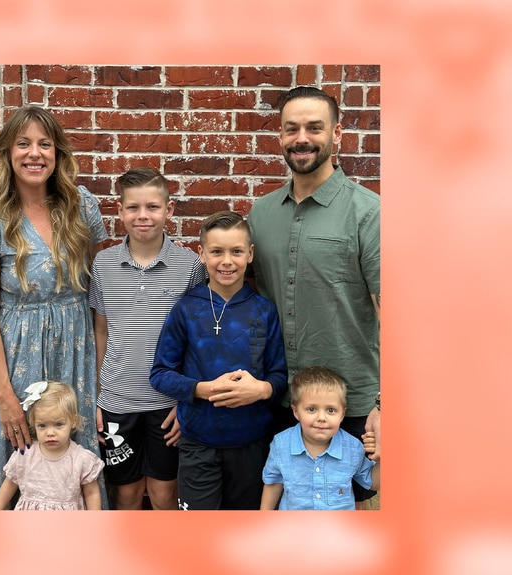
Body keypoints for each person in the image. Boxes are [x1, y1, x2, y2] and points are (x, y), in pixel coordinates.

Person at [247, 86, 380, 507]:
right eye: (292, 128)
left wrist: (386, 403)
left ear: (338, 134)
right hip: (278, 399)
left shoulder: (370, 212)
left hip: (350, 405)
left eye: (314, 127)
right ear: (281, 138)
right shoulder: (261, 213)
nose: (302, 137)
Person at [0, 104, 108, 508]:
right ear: (7, 154)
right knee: (23, 457)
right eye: (23, 144)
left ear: (58, 153)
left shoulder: (81, 206)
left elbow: (99, 291)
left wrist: (102, 379)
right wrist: (4, 395)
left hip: (75, 350)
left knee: (77, 458)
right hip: (16, 357)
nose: (35, 153)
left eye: (45, 144)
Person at [150, 211, 288, 510]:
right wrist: (201, 389)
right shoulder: (186, 309)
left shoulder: (264, 310)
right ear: (201, 253)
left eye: (236, 251)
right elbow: (160, 373)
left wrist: (262, 390)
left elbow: (279, 374)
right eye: (217, 252)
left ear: (250, 254)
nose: (227, 261)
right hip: (199, 443)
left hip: (252, 443)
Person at [89, 167, 206, 510]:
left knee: (164, 493)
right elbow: (101, 330)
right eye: (133, 207)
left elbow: (197, 341)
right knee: (124, 494)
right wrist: (98, 395)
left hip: (166, 404)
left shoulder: (189, 266)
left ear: (168, 210)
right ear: (120, 210)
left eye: (153, 207)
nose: (143, 216)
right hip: (116, 403)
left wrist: (184, 400)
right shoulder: (103, 264)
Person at [260, 366, 379, 510]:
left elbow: (374, 482)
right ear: (296, 412)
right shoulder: (281, 444)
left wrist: (383, 458)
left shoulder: (353, 447)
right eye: (311, 409)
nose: (321, 418)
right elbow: (273, 483)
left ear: (342, 414)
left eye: (331, 410)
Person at [0, 381, 105, 510]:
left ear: (73, 421)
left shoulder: (82, 459)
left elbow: (91, 493)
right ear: (33, 424)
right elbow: (9, 484)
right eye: (42, 426)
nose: (50, 433)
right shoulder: (25, 455)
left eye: (58, 424)